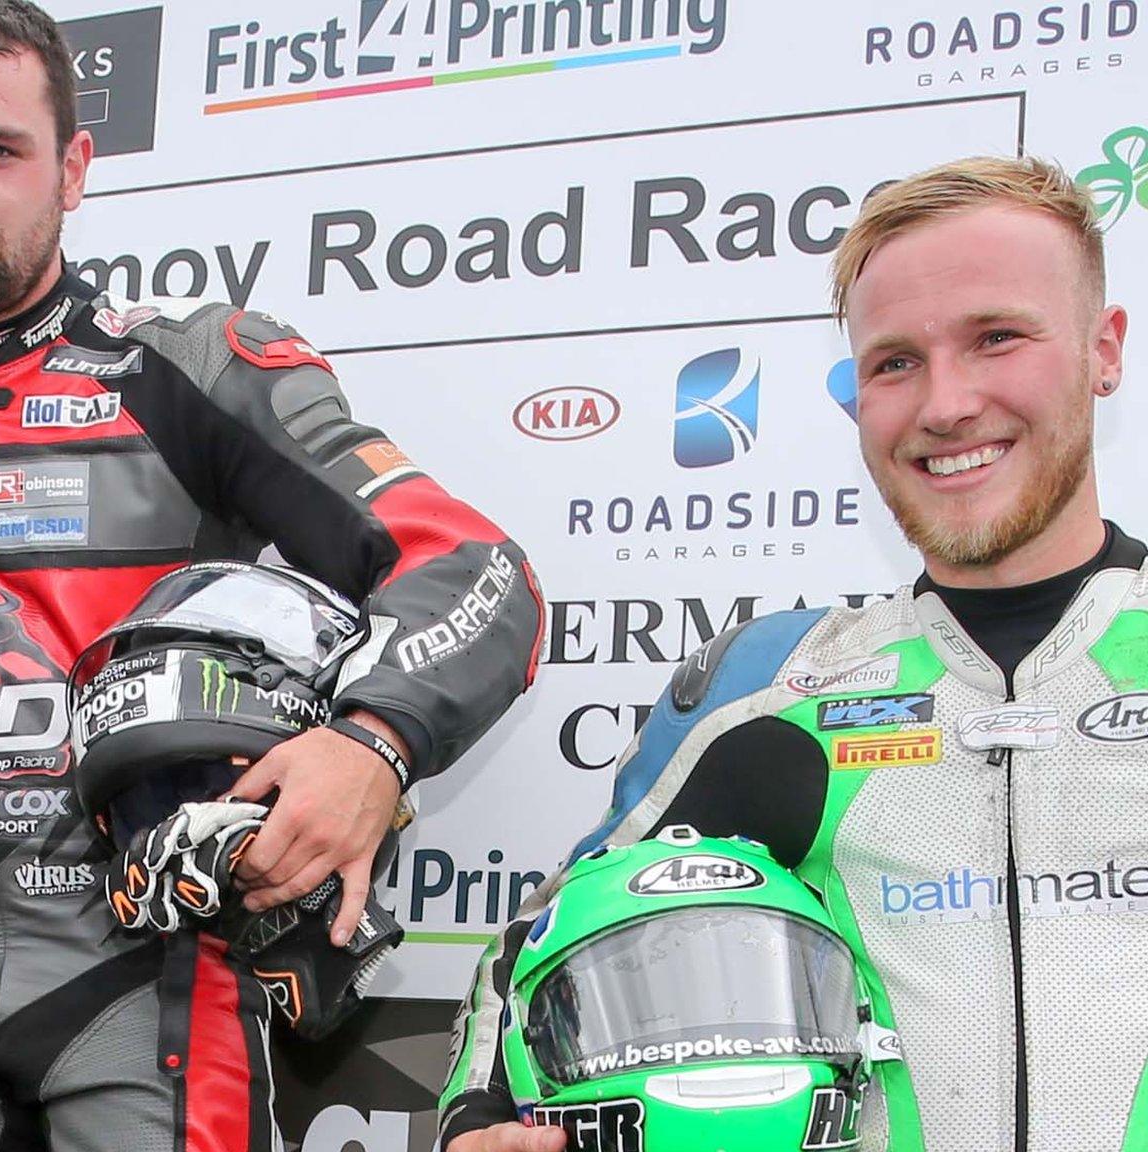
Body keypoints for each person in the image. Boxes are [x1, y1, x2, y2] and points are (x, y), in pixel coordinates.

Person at [0, 1, 542, 1147]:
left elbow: (477, 572)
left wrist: (370, 745)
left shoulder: (195, 368)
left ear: (73, 168)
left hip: (149, 970)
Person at [438, 154, 1146, 1151]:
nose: (943, 404)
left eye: (994, 338)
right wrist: (481, 1116)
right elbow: (539, 942)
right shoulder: (767, 690)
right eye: (893, 361)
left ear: (1100, 350)